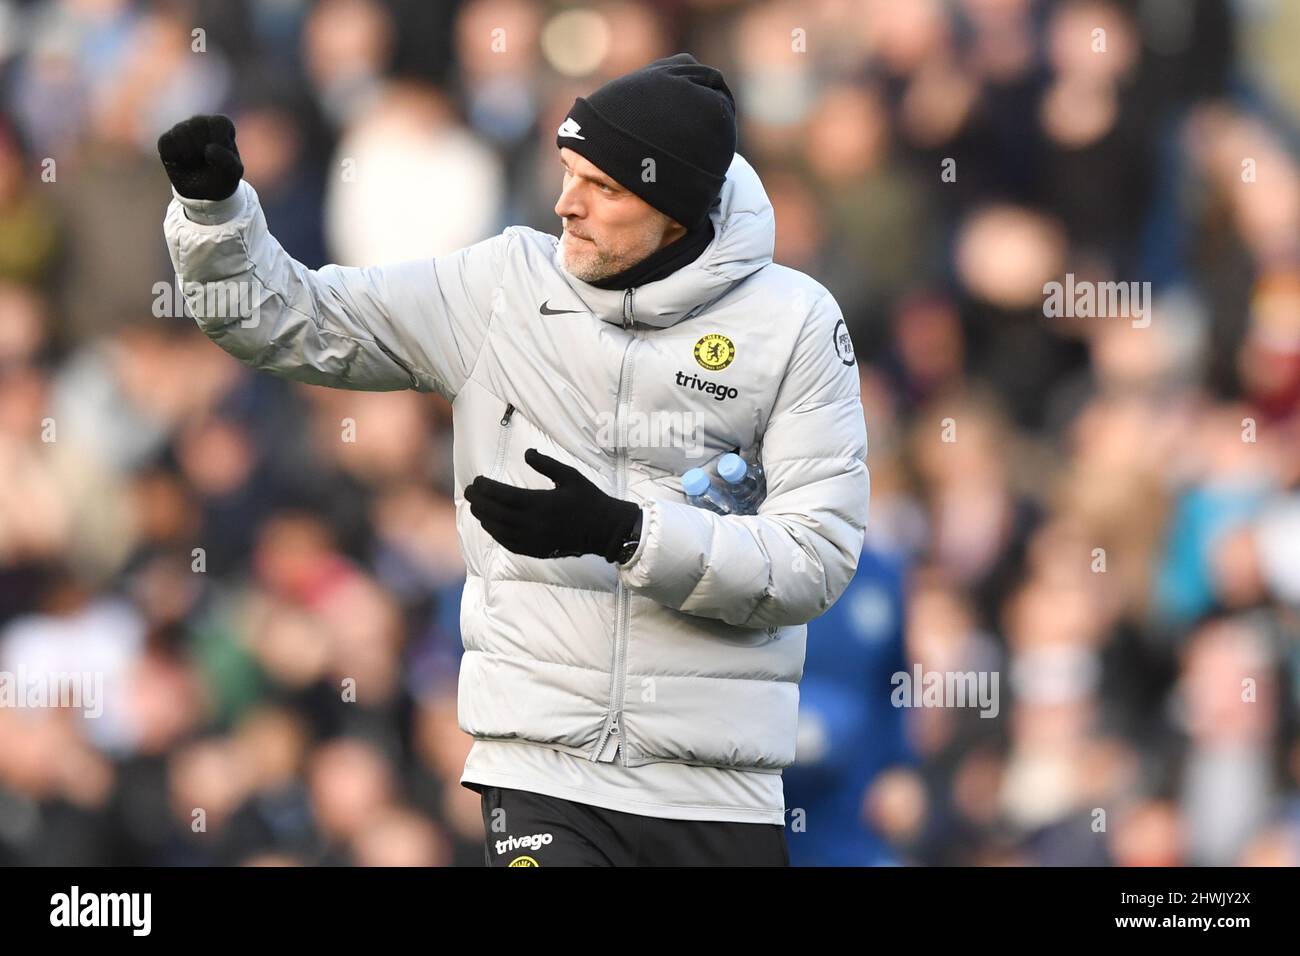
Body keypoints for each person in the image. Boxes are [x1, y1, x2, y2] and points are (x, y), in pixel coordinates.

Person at [159, 53, 869, 866]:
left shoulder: (796, 325)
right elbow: (295, 322)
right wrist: (215, 219)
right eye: (568, 173)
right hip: (540, 770)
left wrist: (629, 533)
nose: (567, 204)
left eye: (602, 188)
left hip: (717, 789)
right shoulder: (498, 286)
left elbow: (815, 557)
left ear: (676, 211)